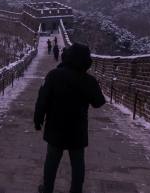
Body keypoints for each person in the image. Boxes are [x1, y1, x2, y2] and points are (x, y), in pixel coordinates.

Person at [34, 43, 106, 193]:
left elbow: (42, 100)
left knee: (52, 162)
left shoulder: (54, 75)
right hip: (77, 130)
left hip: (55, 128)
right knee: (78, 164)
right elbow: (98, 102)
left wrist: (38, 119)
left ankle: (47, 189)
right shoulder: (88, 80)